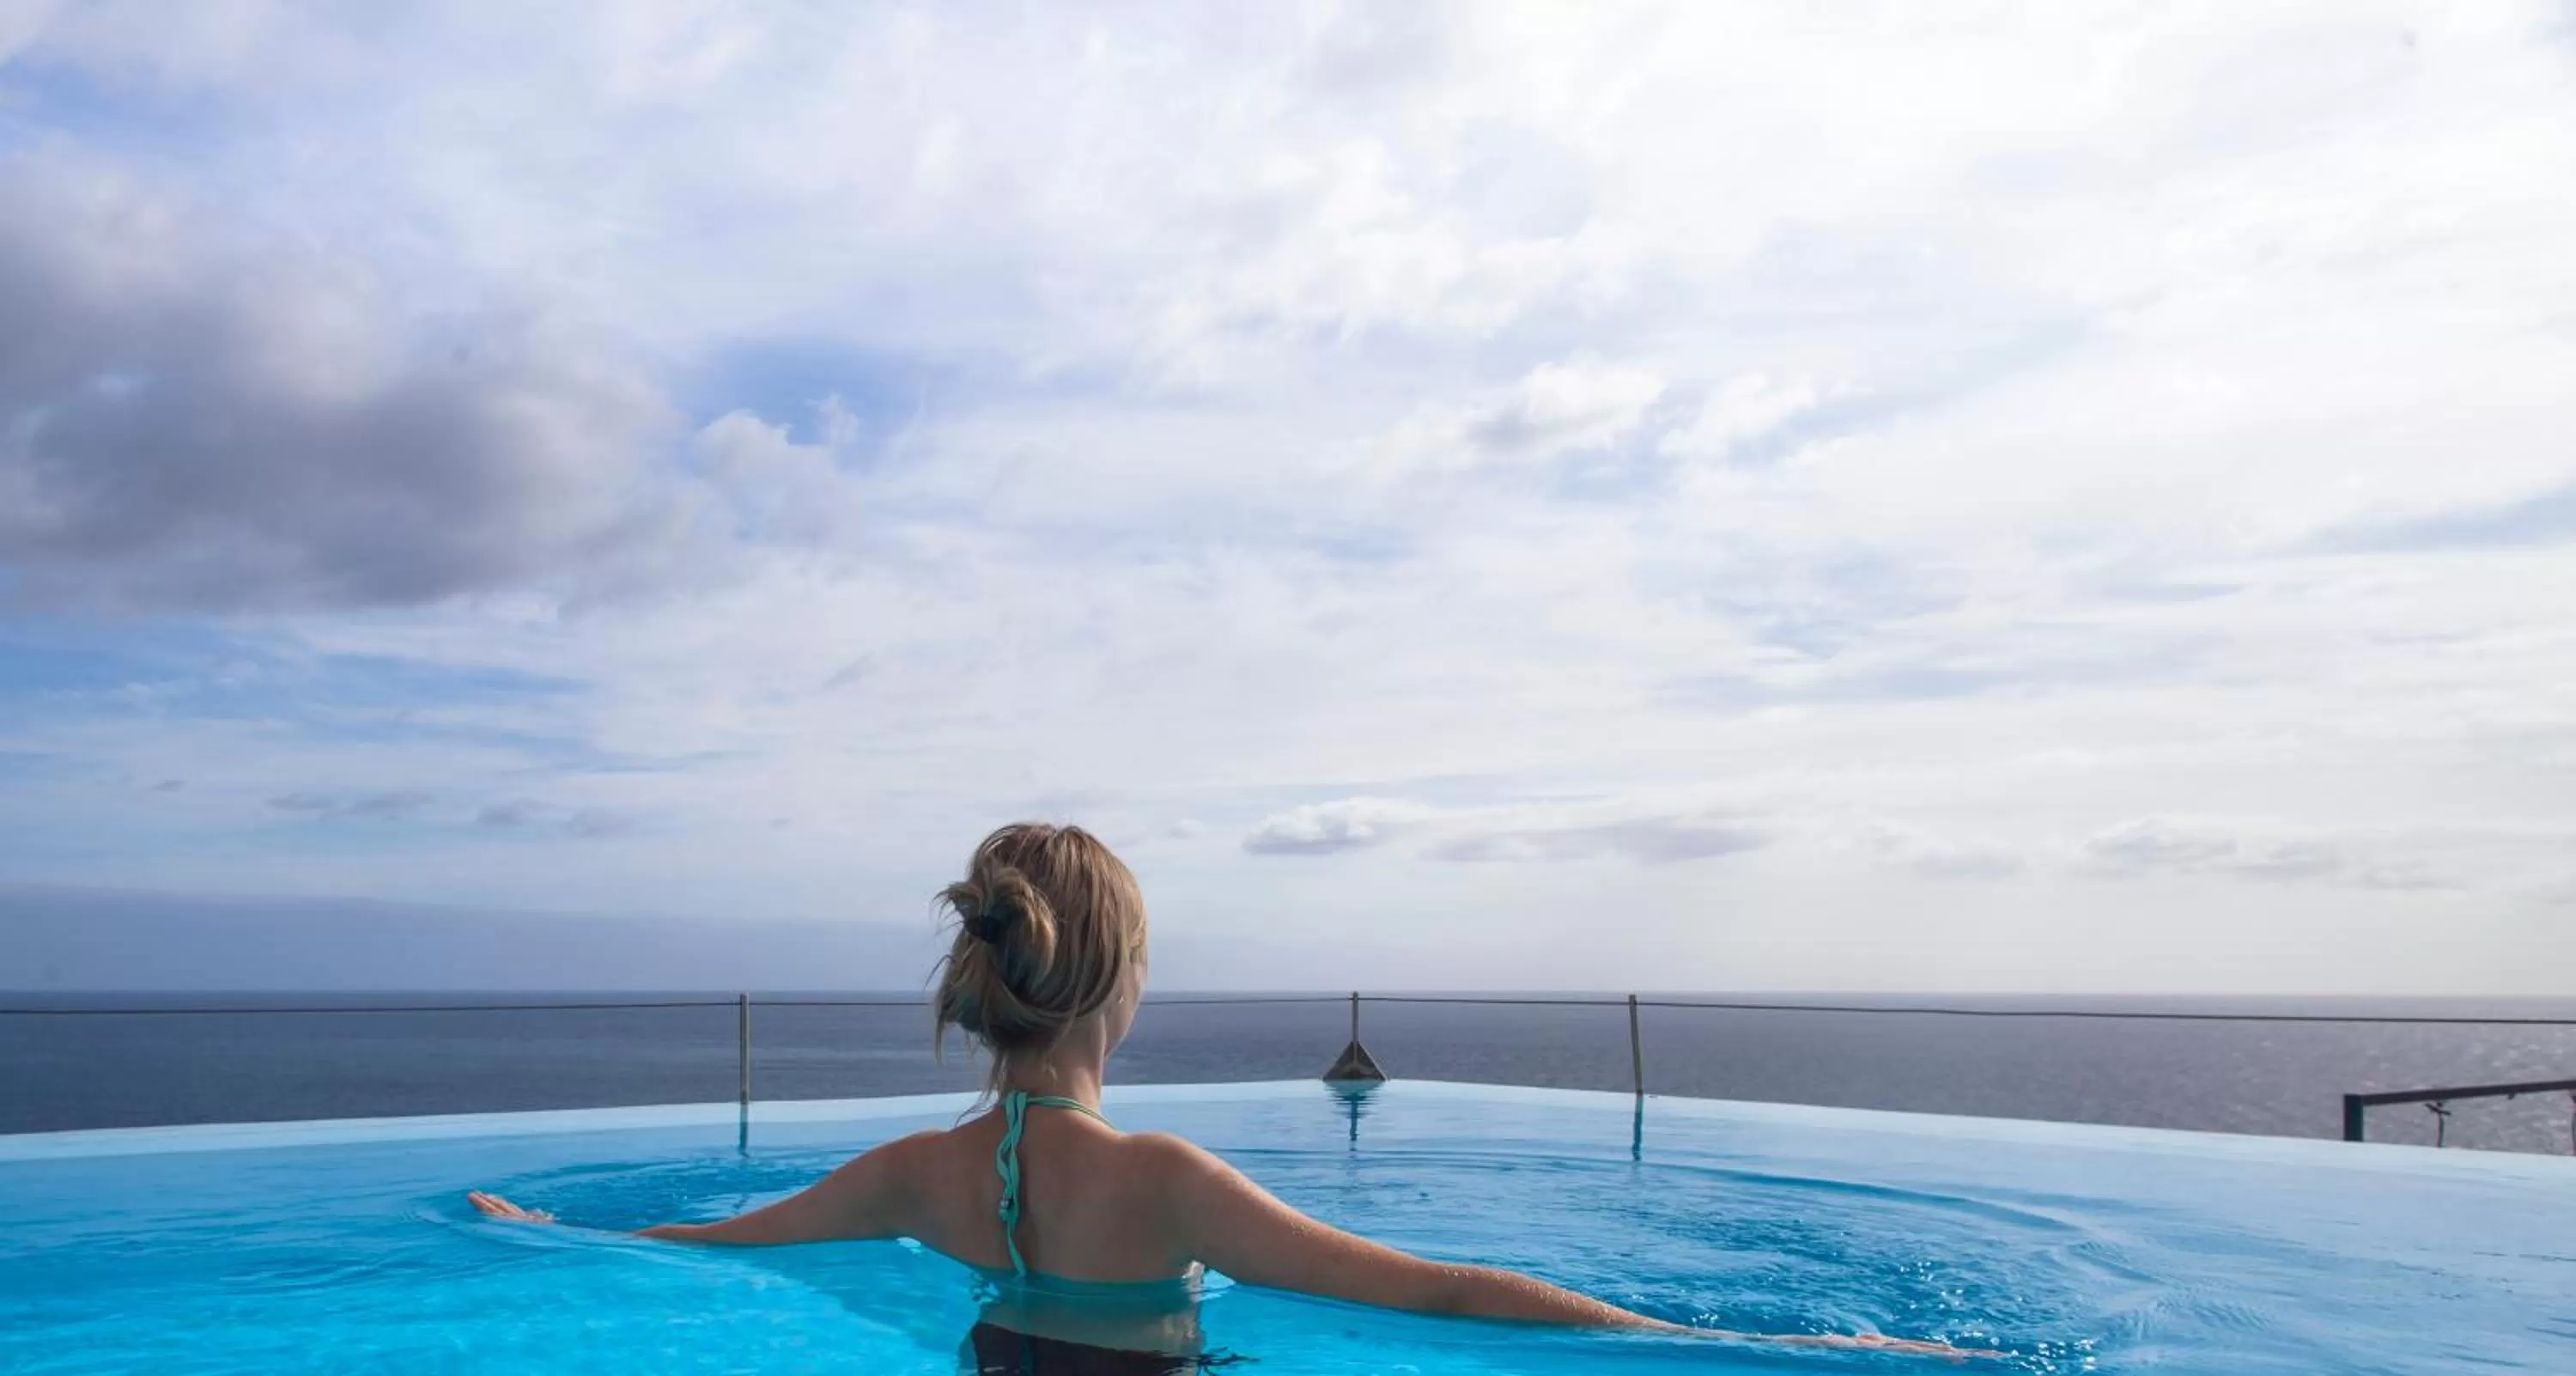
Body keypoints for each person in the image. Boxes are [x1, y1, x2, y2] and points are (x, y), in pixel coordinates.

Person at [472, 823, 1984, 1368]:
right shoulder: (1169, 1185)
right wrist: (1722, 1338)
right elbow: (1440, 1293)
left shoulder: (911, 1173)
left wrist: (531, 1218)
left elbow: (714, 1238)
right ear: (1122, 990)